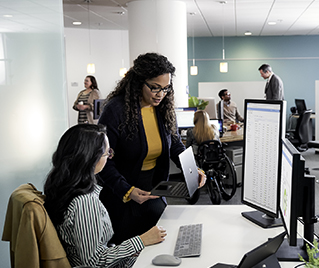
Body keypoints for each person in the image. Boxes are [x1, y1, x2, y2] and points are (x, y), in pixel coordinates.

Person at [97, 52, 206, 244]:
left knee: (158, 247)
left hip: (155, 190)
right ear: (139, 82)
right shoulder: (116, 110)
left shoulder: (163, 108)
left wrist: (192, 169)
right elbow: (103, 161)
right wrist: (127, 191)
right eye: (155, 88)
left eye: (166, 88)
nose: (161, 94)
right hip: (122, 195)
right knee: (129, 250)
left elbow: (175, 145)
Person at [44, 124, 167, 268]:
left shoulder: (61, 187)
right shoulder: (85, 202)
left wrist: (131, 250)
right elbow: (95, 262)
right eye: (107, 153)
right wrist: (142, 240)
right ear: (91, 159)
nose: (109, 157)